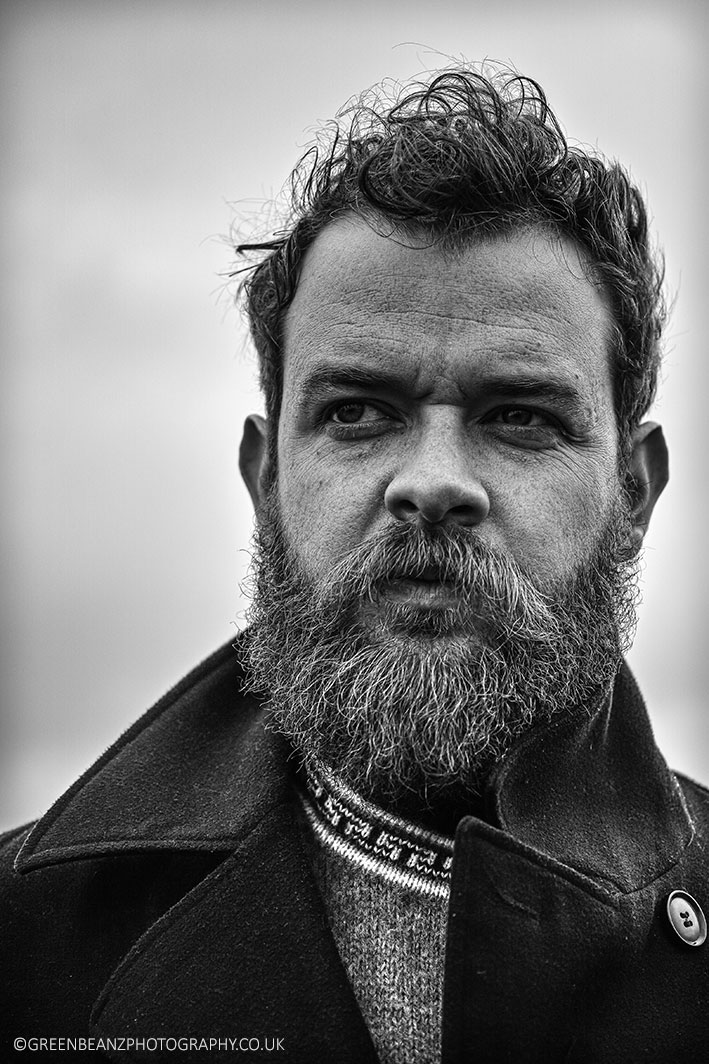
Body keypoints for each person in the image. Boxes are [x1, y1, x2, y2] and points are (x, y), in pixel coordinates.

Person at [2, 64, 707, 1064]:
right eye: (356, 411)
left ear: (631, 491)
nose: (431, 481)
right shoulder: (30, 937)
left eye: (518, 416)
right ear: (265, 477)